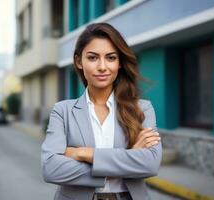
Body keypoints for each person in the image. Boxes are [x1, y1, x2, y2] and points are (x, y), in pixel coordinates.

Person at [41, 23, 162, 200]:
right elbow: (50, 168)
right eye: (92, 58)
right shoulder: (62, 111)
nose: (102, 66)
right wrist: (128, 160)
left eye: (111, 58)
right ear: (78, 61)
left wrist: (83, 153)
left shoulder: (142, 109)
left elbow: (150, 164)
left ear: (119, 62)